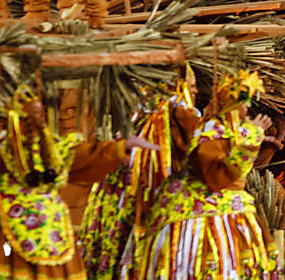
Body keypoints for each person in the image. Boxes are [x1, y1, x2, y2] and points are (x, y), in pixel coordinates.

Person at [0, 84, 157, 279]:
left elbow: (83, 155)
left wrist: (121, 147)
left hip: (50, 223)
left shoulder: (52, 146)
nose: (41, 118)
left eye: (41, 112)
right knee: (7, 261)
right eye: (35, 113)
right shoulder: (4, 147)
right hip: (8, 221)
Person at [134, 70, 285, 280]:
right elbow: (217, 179)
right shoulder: (211, 132)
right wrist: (249, 139)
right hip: (204, 221)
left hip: (228, 214)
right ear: (231, 105)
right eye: (243, 103)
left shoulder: (228, 130)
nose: (246, 110)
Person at [79, 66, 202, 280]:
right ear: (178, 88)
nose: (196, 92)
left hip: (122, 200)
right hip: (146, 200)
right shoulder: (175, 112)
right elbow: (199, 144)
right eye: (192, 87)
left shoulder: (142, 113)